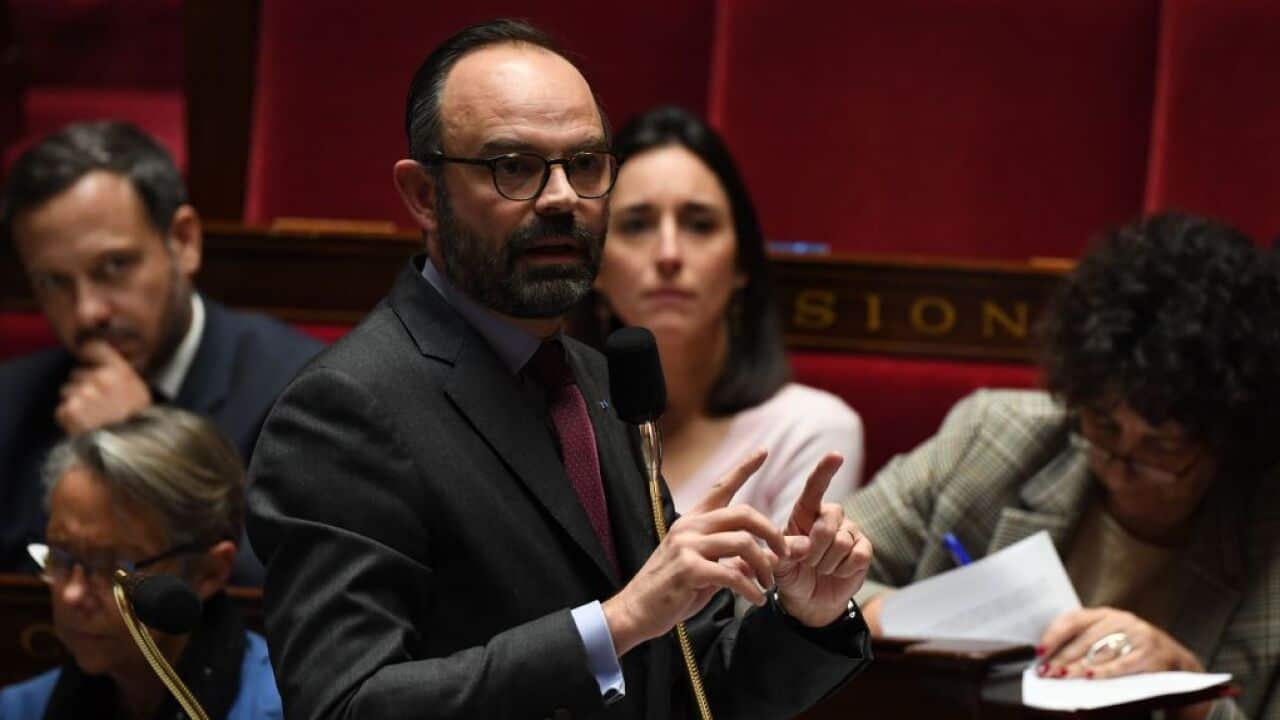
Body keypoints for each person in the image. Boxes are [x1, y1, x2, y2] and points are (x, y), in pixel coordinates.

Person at [247, 19, 873, 720]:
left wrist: (803, 617)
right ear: (424, 195)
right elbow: (344, 705)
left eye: (584, 165)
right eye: (513, 167)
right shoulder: (346, 408)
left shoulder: (596, 382)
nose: (560, 199)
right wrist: (615, 624)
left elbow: (686, 687)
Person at [844, 212, 1280, 720]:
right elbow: (787, 586)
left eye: (1162, 447)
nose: (1121, 466)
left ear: (1226, 438)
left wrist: (1192, 698)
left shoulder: (1267, 536)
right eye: (1105, 427)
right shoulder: (994, 439)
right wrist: (894, 620)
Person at [0, 121, 323, 584]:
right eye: (55, 282)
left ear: (184, 241)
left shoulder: (301, 393)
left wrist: (139, 451)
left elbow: (287, 589)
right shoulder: (13, 403)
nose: (88, 311)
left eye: (114, 267)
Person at [582, 105, 862, 528]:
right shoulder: (560, 426)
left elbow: (787, 594)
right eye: (637, 225)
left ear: (741, 265)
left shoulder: (808, 430)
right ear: (596, 267)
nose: (669, 254)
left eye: (699, 224)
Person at [0, 407, 282, 719]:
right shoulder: (17, 710)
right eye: (61, 557)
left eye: (110, 569)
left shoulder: (290, 708)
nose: (71, 595)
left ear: (208, 572)